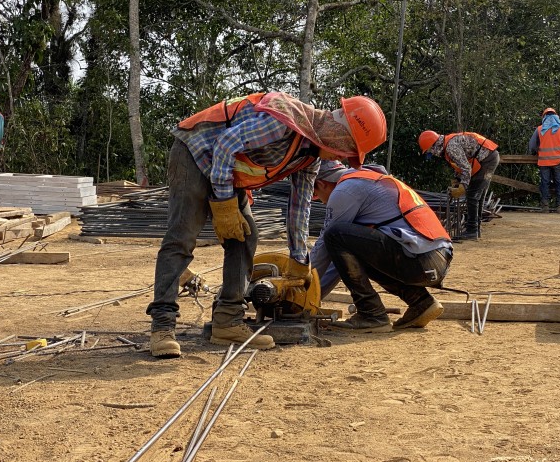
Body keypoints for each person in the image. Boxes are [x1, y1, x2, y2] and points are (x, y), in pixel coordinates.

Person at [146, 92, 387, 358]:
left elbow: (299, 207)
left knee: (245, 235)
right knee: (182, 236)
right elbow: (226, 144)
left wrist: (299, 258)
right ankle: (162, 327)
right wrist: (224, 205)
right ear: (336, 133)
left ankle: (228, 321)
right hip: (195, 151)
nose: (341, 157)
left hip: (225, 169)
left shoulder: (310, 158)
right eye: (346, 150)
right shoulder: (284, 120)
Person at [309, 160, 452, 332]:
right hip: (434, 258)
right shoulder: (367, 179)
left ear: (321, 183)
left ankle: (371, 314)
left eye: (315, 195)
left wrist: (300, 286)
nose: (321, 202)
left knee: (334, 233)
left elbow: (326, 244)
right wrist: (311, 297)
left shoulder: (344, 190)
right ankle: (420, 302)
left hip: (421, 260)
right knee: (349, 243)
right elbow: (339, 261)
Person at [418, 129, 500, 240]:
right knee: (478, 196)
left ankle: (472, 230)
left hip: (487, 159)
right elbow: (460, 165)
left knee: (472, 195)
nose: (432, 154)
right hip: (488, 157)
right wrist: (457, 180)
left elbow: (466, 168)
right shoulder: (448, 145)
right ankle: (476, 229)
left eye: (430, 151)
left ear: (434, 145)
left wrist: (463, 187)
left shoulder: (450, 147)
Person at [528, 107, 560, 213]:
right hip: (559, 161)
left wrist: (537, 151)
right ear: (556, 116)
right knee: (559, 183)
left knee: (545, 183)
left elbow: (532, 146)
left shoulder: (539, 129)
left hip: (544, 161)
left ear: (544, 117)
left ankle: (545, 206)